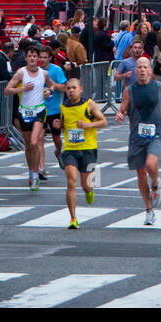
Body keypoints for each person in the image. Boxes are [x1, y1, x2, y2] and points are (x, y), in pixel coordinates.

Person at [115, 57, 161, 225]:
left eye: (145, 67)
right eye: (139, 67)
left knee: (150, 165)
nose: (142, 70)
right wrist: (120, 114)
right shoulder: (130, 90)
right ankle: (149, 210)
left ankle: (156, 183)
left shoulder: (159, 87)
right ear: (136, 71)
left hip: (155, 132)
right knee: (141, 173)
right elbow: (123, 109)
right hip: (136, 135)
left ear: (150, 70)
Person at [4, 44, 62, 191]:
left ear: (37, 59)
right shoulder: (21, 73)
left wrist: (49, 91)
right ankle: (31, 171)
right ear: (26, 58)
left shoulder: (44, 74)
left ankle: (36, 174)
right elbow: (7, 90)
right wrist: (23, 88)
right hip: (24, 112)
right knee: (28, 145)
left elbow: (52, 86)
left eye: (34, 56)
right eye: (29, 56)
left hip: (39, 111)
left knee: (35, 142)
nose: (32, 58)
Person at [60, 76, 107, 229]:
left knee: (86, 185)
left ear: (81, 89)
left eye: (74, 88)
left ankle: (89, 190)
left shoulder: (89, 104)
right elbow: (63, 126)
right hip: (70, 150)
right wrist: (57, 125)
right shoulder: (63, 107)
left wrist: (87, 125)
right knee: (71, 181)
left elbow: (103, 122)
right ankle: (73, 218)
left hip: (88, 149)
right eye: (68, 88)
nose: (71, 91)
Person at [40, 43, 68, 177]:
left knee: (56, 138)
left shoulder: (56, 70)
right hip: (39, 109)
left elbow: (65, 87)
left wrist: (52, 85)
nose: (42, 60)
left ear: (50, 58)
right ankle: (41, 167)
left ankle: (58, 152)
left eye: (45, 57)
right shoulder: (35, 70)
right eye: (41, 57)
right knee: (40, 138)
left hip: (54, 109)